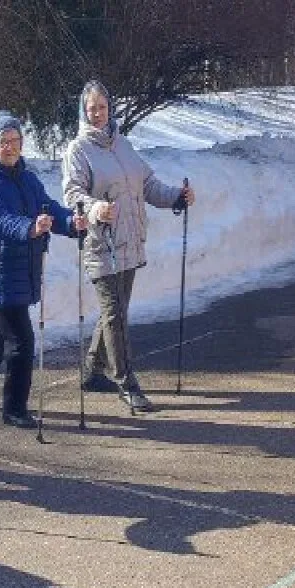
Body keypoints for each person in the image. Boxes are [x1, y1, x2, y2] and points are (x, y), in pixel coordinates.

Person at [62, 80, 196, 412]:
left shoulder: (123, 145)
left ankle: (92, 369)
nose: (97, 114)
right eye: (91, 108)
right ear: (83, 111)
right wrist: (94, 208)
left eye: (102, 107)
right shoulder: (77, 150)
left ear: (111, 109)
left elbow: (147, 185)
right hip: (101, 244)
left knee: (115, 313)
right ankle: (126, 381)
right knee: (115, 314)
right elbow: (72, 193)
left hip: (130, 242)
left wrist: (177, 197)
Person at [0, 111, 88, 427]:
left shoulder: (29, 179)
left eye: (15, 141)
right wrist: (30, 228)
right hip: (3, 268)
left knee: (1, 330)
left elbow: (50, 210)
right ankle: (15, 408)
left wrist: (70, 223)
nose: (10, 147)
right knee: (21, 341)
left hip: (27, 266)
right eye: (3, 141)